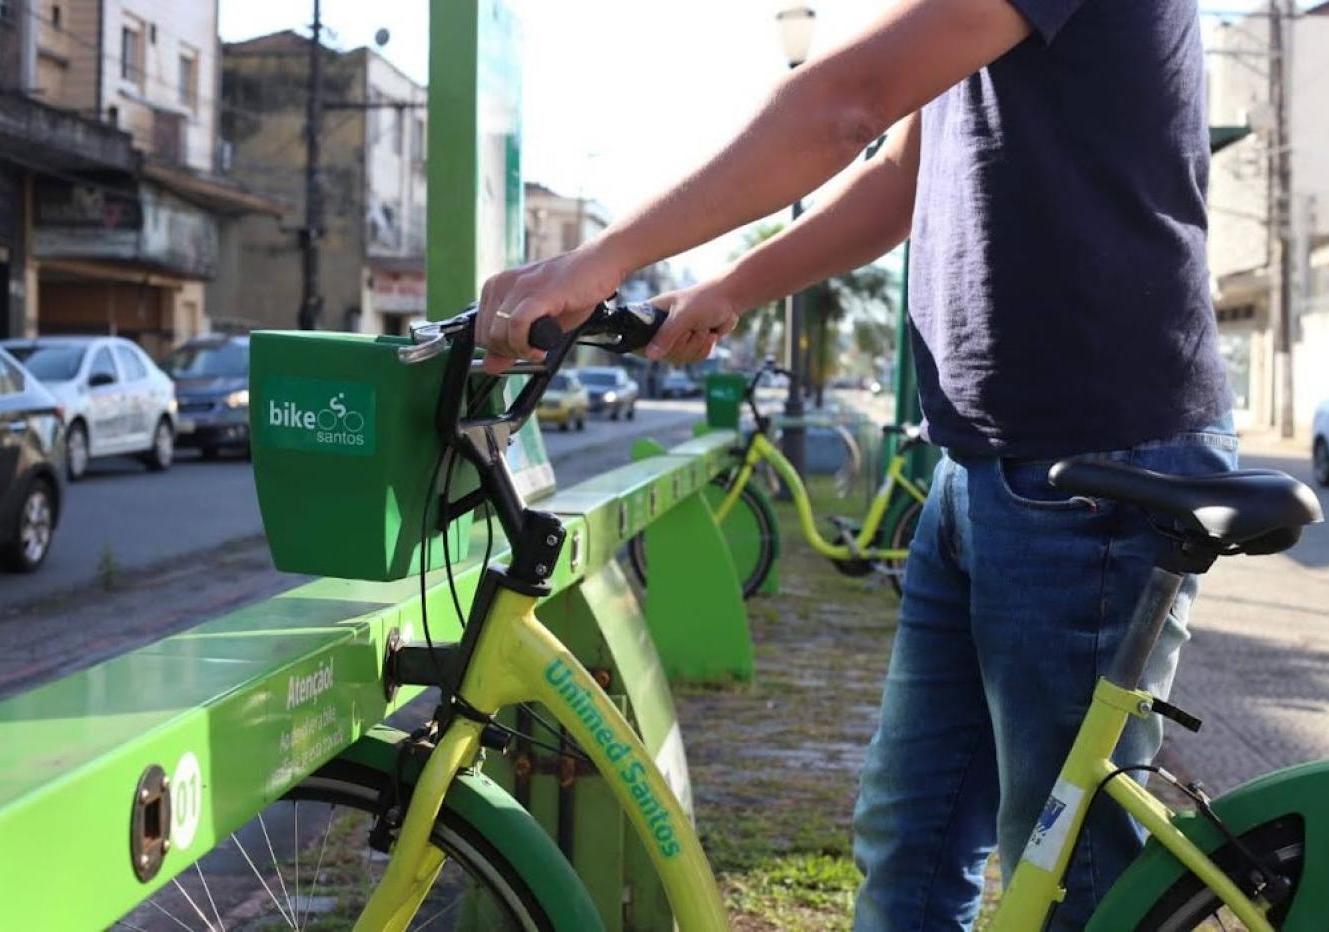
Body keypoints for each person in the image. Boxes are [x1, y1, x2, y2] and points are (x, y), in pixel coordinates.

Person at [477, 1, 1236, 928]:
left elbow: (847, 102)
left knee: (1072, 877)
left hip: (1093, 461)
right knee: (909, 841)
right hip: (981, 460)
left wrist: (603, 260)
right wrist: (733, 287)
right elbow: (900, 173)